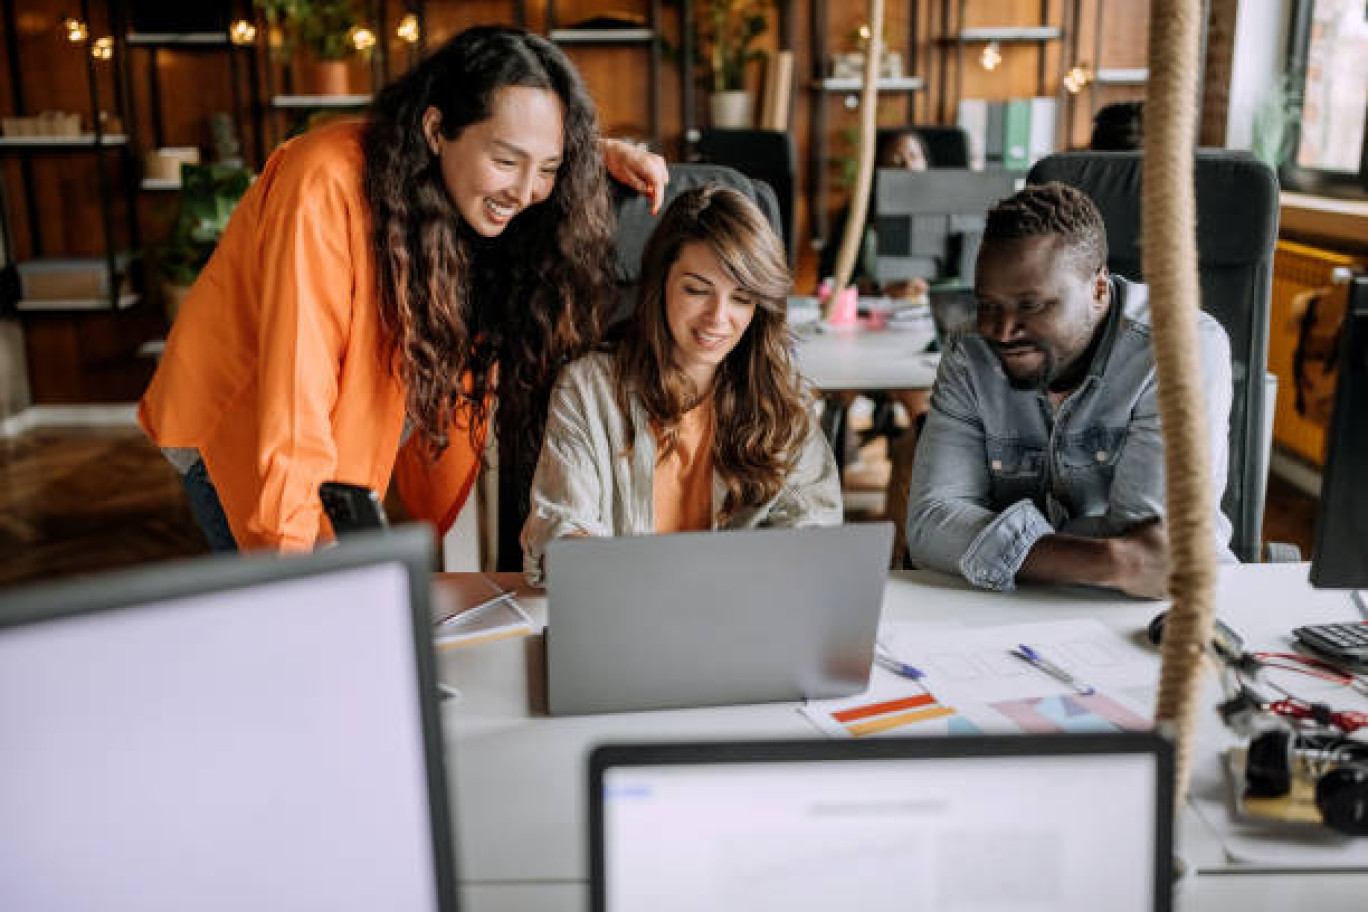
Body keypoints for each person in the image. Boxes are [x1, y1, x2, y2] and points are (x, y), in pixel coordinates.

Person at [139, 27, 668, 552]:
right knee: (286, 609)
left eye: (548, 167)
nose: (527, 190)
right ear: (435, 129)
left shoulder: (460, 171)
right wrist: (296, 564)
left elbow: (515, 144)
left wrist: (592, 154)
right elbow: (296, 390)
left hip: (345, 425)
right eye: (507, 162)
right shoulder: (321, 185)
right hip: (244, 425)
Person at [904, 182, 1234, 598]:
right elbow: (931, 523)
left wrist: (991, 544)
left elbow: (1153, 548)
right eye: (988, 305)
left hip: (1159, 613)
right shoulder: (970, 354)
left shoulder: (1179, 347)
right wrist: (1113, 561)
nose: (1003, 331)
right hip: (1016, 610)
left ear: (1098, 290)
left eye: (1032, 305)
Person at [520, 184, 842, 584]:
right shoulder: (588, 388)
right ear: (660, 284)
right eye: (696, 290)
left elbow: (814, 534)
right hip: (625, 618)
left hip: (744, 623)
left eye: (741, 298)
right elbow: (561, 530)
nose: (717, 319)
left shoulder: (781, 399)